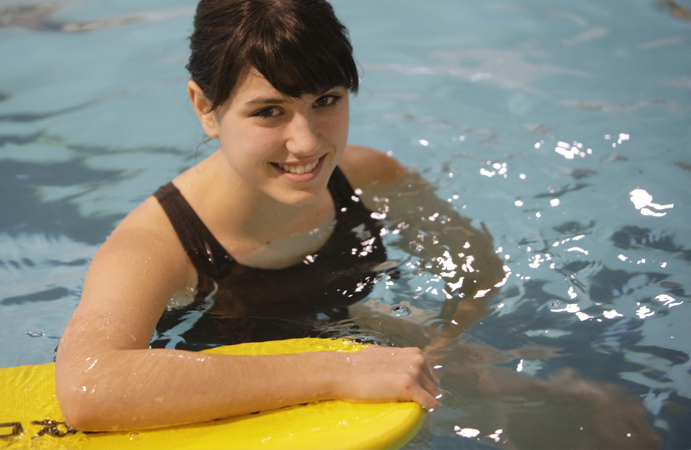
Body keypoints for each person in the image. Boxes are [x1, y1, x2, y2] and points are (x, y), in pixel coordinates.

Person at [55, 0, 503, 431]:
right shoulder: (157, 246)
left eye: (326, 100)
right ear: (204, 108)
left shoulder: (371, 178)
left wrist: (441, 354)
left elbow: (481, 274)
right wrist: (337, 372)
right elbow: (88, 387)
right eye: (269, 111)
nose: (306, 143)